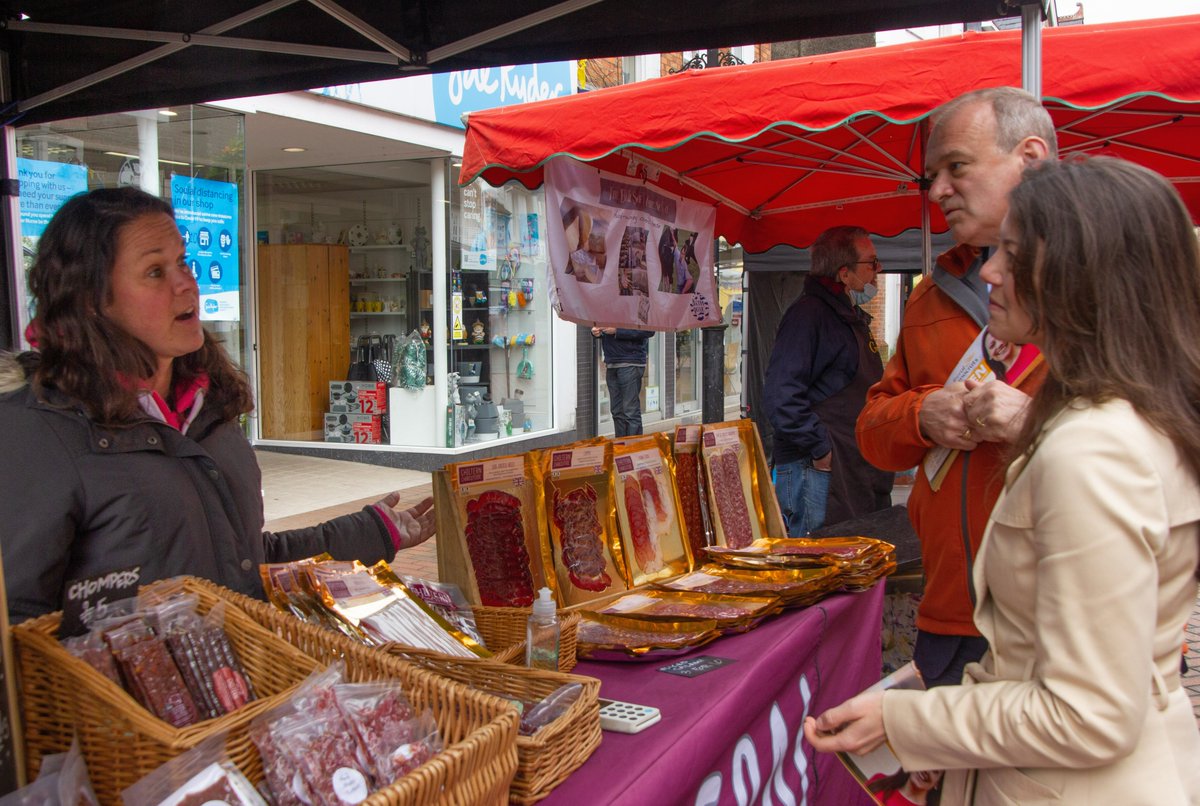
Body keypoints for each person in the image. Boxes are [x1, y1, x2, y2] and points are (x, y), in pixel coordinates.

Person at [807, 156, 1200, 805]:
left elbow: (1088, 716)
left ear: (1078, 273)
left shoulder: (1091, 450)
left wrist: (908, 722)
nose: (990, 271)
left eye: (1011, 255)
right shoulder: (1134, 417)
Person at [0, 187, 436, 622]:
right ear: (91, 300)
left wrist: (371, 533)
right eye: (155, 271)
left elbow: (244, 563)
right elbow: (18, 626)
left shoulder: (210, 413)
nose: (185, 283)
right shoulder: (36, 430)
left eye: (182, 262)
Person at [855, 87, 1055, 688]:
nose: (937, 190)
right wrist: (922, 414)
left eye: (957, 167)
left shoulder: (1110, 280)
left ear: (1030, 158)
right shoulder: (929, 296)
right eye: (932, 175)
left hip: (1062, 619)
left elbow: (1165, 439)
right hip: (951, 609)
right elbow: (872, 434)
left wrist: (1033, 424)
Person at [762, 225, 894, 535]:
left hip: (852, 470)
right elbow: (781, 395)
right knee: (817, 556)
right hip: (818, 475)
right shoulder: (808, 316)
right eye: (871, 262)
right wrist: (820, 448)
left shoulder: (845, 316)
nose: (878, 270)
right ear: (845, 273)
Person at [591, 326, 653, 436]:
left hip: (631, 362)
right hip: (611, 362)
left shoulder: (637, 312)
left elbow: (648, 330)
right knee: (617, 411)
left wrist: (617, 331)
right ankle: (621, 445)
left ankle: (634, 446)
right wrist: (598, 332)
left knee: (630, 411)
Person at [867, 769, 943, 805]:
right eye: (925, 762)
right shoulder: (879, 779)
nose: (926, 770)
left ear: (938, 783)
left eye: (935, 771)